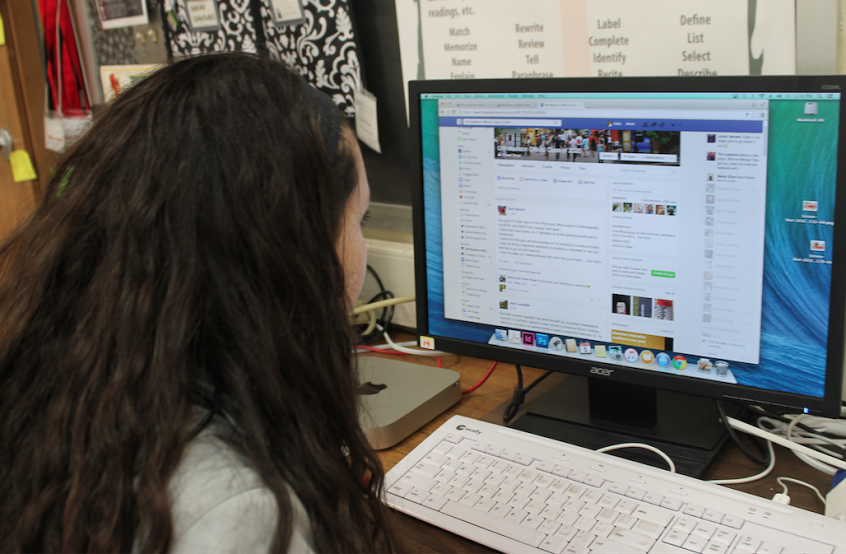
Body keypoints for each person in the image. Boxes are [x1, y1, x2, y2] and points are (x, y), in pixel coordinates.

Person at [0, 53, 398, 553]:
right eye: (357, 219)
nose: (360, 249)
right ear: (289, 254)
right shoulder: (241, 515)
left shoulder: (60, 394)